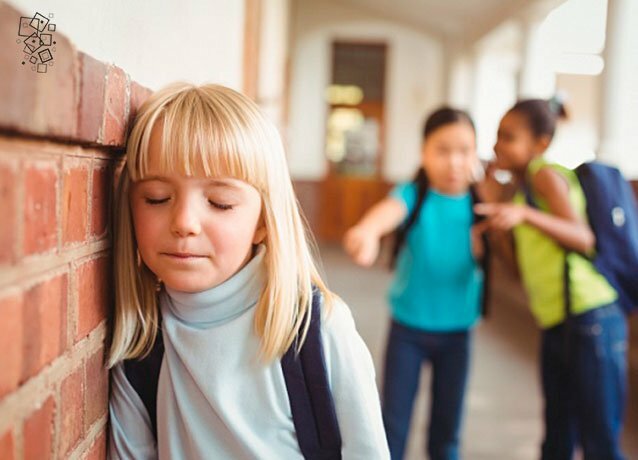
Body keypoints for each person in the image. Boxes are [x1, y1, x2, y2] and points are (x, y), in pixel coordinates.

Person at [107, 82, 390, 459]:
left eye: (220, 202)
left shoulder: (316, 331)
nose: (184, 222)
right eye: (157, 197)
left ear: (264, 222)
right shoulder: (138, 350)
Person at [475, 98, 627, 460]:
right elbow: (516, 272)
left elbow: (583, 238)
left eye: (508, 137)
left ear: (540, 143)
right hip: (556, 321)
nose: (497, 145)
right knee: (557, 433)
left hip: (591, 316)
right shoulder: (518, 187)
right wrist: (498, 227)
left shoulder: (544, 174)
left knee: (599, 438)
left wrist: (524, 215)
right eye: (497, 135)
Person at [343, 107, 486, 460]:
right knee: (393, 424)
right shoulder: (413, 193)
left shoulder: (482, 203)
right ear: (424, 152)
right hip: (407, 329)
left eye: (464, 150)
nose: (454, 161)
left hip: (458, 332)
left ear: (475, 153)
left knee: (447, 431)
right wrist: (367, 231)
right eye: (442, 150)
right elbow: (386, 212)